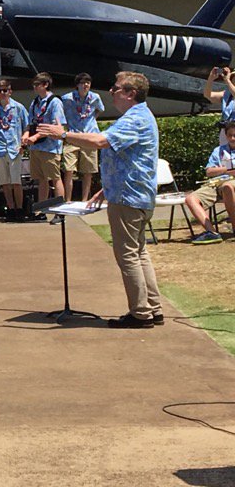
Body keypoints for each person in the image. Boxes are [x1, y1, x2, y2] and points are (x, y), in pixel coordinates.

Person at [39, 71, 162, 329]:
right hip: (132, 194)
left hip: (129, 198)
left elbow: (101, 141)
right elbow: (130, 159)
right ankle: (153, 307)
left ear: (131, 93)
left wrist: (63, 135)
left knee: (128, 255)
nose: (112, 92)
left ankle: (141, 313)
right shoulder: (139, 116)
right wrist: (106, 189)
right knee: (139, 252)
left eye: (117, 89)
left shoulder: (135, 118)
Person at [183, 121, 235, 244]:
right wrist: (227, 170)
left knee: (228, 187)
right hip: (216, 183)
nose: (233, 138)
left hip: (230, 184)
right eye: (230, 135)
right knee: (190, 199)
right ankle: (212, 232)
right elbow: (209, 171)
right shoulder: (219, 151)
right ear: (226, 136)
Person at [22, 72, 65, 216]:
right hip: (36, 147)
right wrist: (26, 135)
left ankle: (60, 212)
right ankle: (42, 210)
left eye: (37, 85)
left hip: (50, 147)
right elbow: (30, 123)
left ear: (45, 85)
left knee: (55, 178)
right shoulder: (35, 102)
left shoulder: (54, 102)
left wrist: (36, 137)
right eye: (33, 85)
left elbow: (55, 126)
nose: (35, 87)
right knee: (41, 180)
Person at [0, 79, 29, 221]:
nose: (2, 93)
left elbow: (26, 127)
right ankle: (10, 208)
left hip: (14, 148)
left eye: (5, 90)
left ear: (10, 91)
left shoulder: (19, 108)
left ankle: (20, 209)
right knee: (4, 181)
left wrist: (23, 144)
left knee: (16, 181)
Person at [61, 73, 105, 202]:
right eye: (82, 83)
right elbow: (60, 113)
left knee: (88, 171)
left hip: (89, 135)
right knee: (69, 169)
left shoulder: (95, 97)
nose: (85, 85)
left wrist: (91, 121)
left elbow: (100, 109)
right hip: (73, 136)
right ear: (77, 85)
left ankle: (85, 200)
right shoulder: (67, 98)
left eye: (88, 83)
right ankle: (68, 200)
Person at [203, 66, 235, 146]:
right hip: (226, 131)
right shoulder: (227, 94)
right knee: (225, 156)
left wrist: (227, 80)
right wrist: (211, 79)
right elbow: (208, 95)